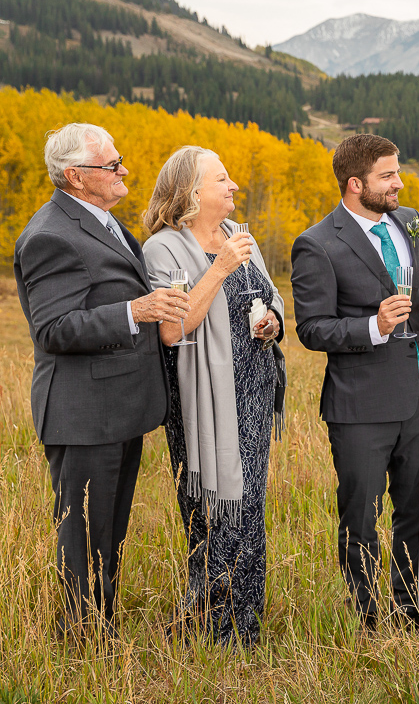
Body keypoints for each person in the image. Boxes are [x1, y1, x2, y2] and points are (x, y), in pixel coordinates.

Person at [14, 123, 187, 639]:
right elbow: (53, 328)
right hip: (84, 412)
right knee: (85, 536)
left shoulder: (102, 220)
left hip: (119, 408)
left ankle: (99, 629)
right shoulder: (50, 234)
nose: (123, 171)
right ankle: (84, 641)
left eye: (119, 160)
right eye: (110, 166)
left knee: (108, 533)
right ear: (75, 176)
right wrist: (136, 311)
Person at [290, 133, 419, 630]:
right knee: (360, 517)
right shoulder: (317, 244)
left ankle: (409, 609)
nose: (400, 183)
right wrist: (374, 326)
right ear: (356, 185)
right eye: (388, 176)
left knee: (416, 509)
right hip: (360, 407)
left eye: (398, 172)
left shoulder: (409, 221)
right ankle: (369, 617)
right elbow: (312, 328)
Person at [140, 146, 286, 646]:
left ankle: (245, 623)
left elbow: (270, 295)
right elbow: (173, 329)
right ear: (192, 192)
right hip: (202, 398)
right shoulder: (163, 248)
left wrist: (273, 321)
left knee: (249, 507)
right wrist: (220, 267)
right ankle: (207, 626)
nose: (234, 188)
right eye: (223, 180)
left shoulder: (238, 235)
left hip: (253, 390)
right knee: (213, 507)